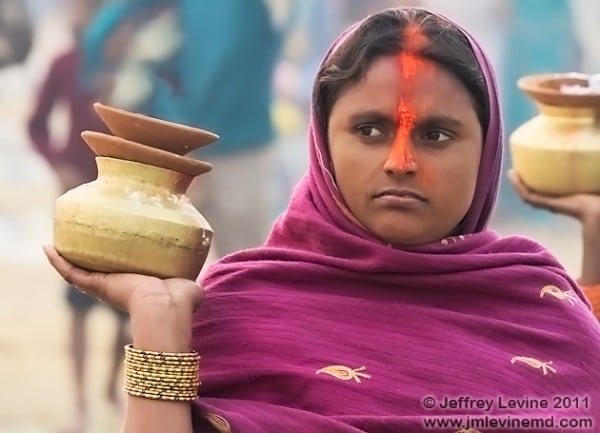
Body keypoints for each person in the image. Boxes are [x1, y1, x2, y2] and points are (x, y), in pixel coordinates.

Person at [44, 7, 600, 433]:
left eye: (435, 135)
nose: (400, 162)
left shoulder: (541, 307)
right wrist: (159, 321)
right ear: (323, 144)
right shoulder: (240, 307)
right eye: (370, 130)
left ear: (487, 151)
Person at [27, 1, 130, 431]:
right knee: (77, 305)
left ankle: (110, 387)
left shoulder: (132, 67)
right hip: (78, 203)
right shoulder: (64, 64)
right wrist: (57, 163)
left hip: (126, 202)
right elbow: (35, 124)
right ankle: (80, 404)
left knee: (126, 308)